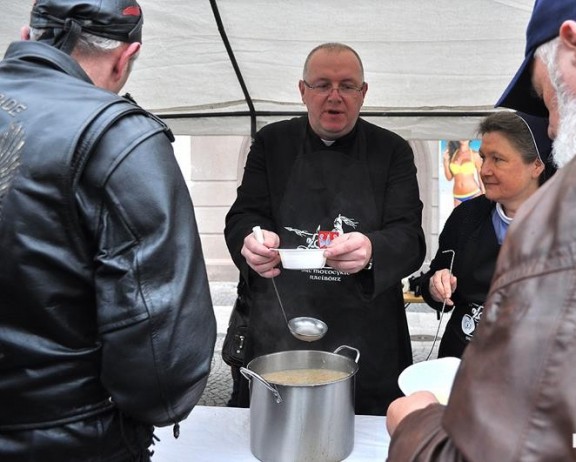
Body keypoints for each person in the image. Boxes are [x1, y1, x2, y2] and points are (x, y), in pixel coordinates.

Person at [387, 0, 576, 460]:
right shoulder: (471, 217)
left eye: (544, 95)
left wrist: (416, 428)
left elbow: (533, 446)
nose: (553, 124)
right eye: (481, 156)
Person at [0, 1, 217, 461]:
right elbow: (164, 364)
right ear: (125, 56)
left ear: (26, 35)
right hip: (76, 439)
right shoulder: (117, 138)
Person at [224, 42, 425, 416]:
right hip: (279, 328)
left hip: (367, 337)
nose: (335, 96)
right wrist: (250, 242)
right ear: (303, 91)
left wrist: (372, 249)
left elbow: (410, 239)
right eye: (322, 85)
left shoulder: (392, 150)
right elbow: (243, 216)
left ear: (363, 94)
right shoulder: (272, 143)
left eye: (348, 85)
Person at [422, 111, 555, 359]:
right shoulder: (466, 218)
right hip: (460, 365)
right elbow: (436, 279)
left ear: (536, 165)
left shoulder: (563, 225)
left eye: (498, 159)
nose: (484, 170)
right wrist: (435, 285)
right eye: (483, 158)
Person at [442, 139, 483, 207]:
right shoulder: (453, 155)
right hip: (457, 197)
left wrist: (484, 194)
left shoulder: (475, 155)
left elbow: (481, 176)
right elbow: (449, 178)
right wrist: (445, 161)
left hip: (473, 194)